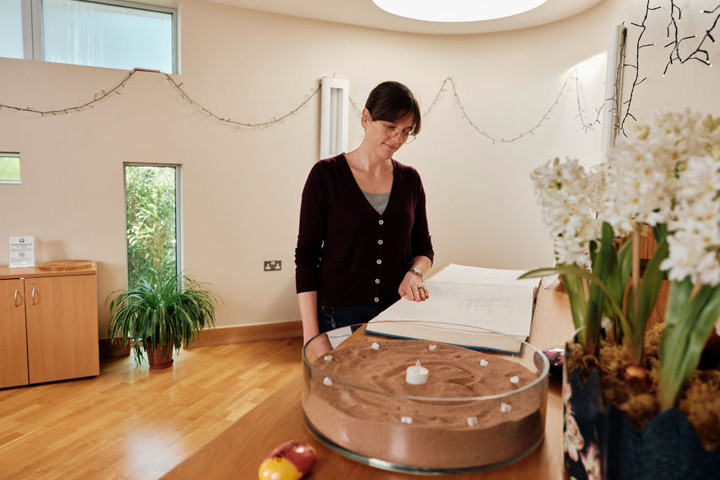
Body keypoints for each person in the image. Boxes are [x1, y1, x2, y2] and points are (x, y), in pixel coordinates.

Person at [295, 80, 434, 346]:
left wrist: (414, 273)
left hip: (396, 313)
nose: (397, 139)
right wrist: (311, 335)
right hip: (338, 317)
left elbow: (425, 249)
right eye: (390, 127)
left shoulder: (411, 180)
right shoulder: (326, 175)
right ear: (365, 118)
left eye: (406, 132)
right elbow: (306, 256)